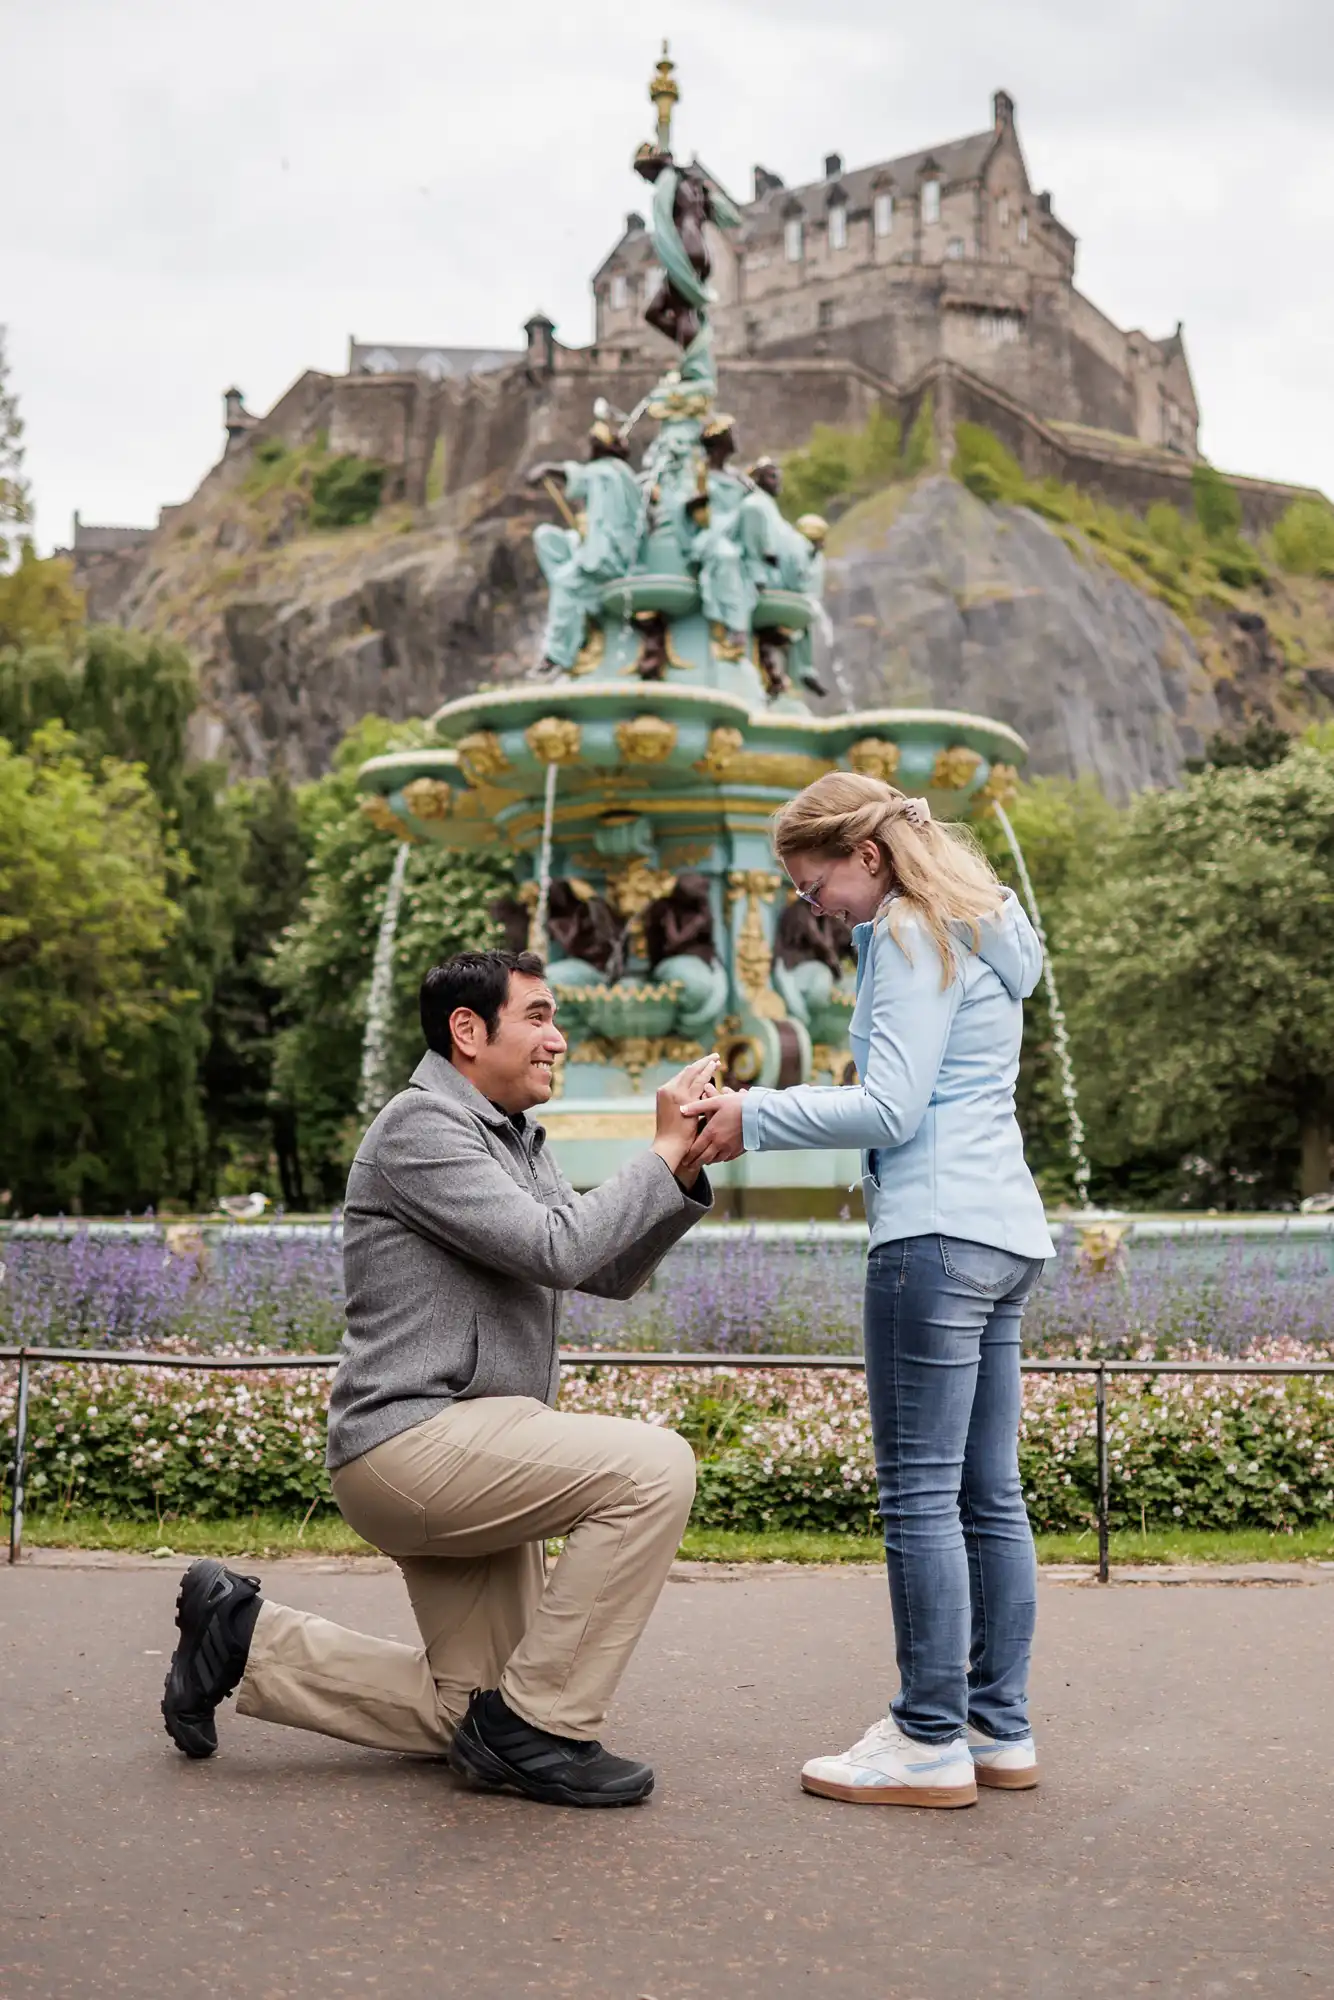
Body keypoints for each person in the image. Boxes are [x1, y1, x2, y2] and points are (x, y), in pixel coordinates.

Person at [161, 949, 719, 1809]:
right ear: (468, 1030)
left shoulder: (511, 1136)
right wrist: (656, 1151)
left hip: (476, 1443)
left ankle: (241, 1637)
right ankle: (544, 1729)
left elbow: (600, 1269)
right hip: (413, 1444)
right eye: (537, 1016)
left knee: (466, 1712)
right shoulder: (422, 1129)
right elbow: (557, 1248)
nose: (558, 1040)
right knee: (655, 1467)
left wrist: (680, 1169)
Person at [681, 772, 1054, 1808]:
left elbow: (889, 1109)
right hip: (1003, 1231)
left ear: (869, 857)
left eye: (813, 887)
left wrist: (750, 1115)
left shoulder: (902, 934)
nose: (815, 909)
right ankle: (995, 1723)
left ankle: (927, 1736)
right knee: (989, 1496)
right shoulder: (985, 927)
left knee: (920, 1498)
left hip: (931, 1238)